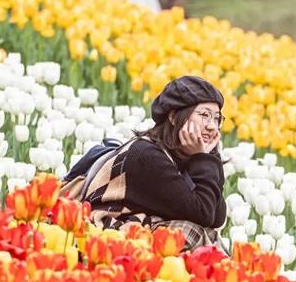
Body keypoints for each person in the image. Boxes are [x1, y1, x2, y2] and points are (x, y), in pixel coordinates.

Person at [82, 75, 230, 255]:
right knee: (190, 233)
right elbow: (203, 214)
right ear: (174, 117)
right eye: (205, 115)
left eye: (217, 119)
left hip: (138, 227)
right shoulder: (147, 155)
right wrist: (202, 157)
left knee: (203, 234)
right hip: (103, 232)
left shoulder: (185, 155)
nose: (212, 126)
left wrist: (209, 156)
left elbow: (216, 217)